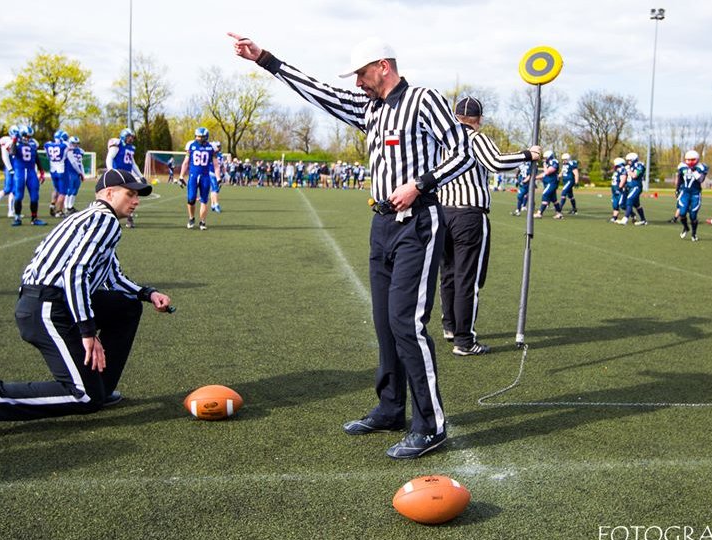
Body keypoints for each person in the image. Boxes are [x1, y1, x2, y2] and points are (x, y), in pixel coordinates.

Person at [229, 32, 475, 459]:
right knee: (383, 322)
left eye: (361, 73)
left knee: (406, 323)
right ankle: (389, 408)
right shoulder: (370, 107)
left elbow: (463, 152)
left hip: (418, 222)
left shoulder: (423, 98)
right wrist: (265, 59)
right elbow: (319, 92)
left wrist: (419, 184)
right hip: (380, 224)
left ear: (383, 65)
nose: (357, 82)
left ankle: (430, 424)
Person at [0, 169, 172, 439]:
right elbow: (75, 273)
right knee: (83, 397)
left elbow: (112, 276)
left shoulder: (89, 218)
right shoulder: (104, 221)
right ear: (107, 193)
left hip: (52, 301)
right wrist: (88, 330)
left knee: (126, 306)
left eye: (137, 195)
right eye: (130, 193)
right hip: (46, 307)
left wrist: (148, 293)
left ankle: (101, 388)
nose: (136, 200)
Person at [438, 96, 540, 357]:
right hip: (469, 215)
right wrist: (527, 155)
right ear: (479, 119)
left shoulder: (442, 141)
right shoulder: (475, 138)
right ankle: (464, 339)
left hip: (442, 213)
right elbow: (495, 163)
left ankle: (450, 326)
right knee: (467, 278)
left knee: (448, 273)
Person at [179, 127, 222, 230]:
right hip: (193, 176)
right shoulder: (191, 145)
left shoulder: (211, 147)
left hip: (205, 176)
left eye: (200, 136)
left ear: (205, 137)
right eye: (197, 136)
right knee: (191, 199)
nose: (197, 138)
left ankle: (202, 222)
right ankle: (191, 218)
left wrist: (218, 178)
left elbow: (216, 165)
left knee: (204, 200)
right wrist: (181, 176)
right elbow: (185, 162)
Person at [106, 128, 145, 228]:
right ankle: (110, 217)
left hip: (127, 174)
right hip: (117, 173)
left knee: (131, 196)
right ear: (123, 136)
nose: (131, 139)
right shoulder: (117, 144)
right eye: (129, 137)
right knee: (115, 197)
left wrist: (141, 176)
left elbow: (133, 164)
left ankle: (129, 217)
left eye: (132, 137)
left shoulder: (131, 148)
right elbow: (109, 157)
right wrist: (110, 170)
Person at [9, 125, 47, 227]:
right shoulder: (15, 142)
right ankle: (17, 217)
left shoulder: (33, 143)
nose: (27, 138)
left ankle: (34, 218)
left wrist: (42, 172)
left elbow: (36, 158)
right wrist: (14, 140)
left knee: (35, 196)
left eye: (29, 136)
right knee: (19, 195)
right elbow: (12, 152)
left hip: (31, 172)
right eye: (26, 136)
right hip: (20, 172)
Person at [675, 150, 708, 242]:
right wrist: (677, 189)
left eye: (692, 160)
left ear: (697, 159)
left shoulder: (701, 167)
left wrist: (694, 171)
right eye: (688, 160)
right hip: (684, 192)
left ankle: (694, 233)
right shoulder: (682, 167)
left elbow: (701, 180)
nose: (690, 162)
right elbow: (680, 178)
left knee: (693, 215)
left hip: (695, 193)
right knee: (682, 213)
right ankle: (686, 228)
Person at [617, 152, 647, 226]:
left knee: (629, 200)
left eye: (629, 160)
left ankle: (625, 219)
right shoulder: (630, 166)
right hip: (629, 187)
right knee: (636, 205)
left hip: (636, 187)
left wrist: (628, 170)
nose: (628, 162)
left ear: (633, 160)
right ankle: (643, 220)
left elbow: (634, 175)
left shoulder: (639, 165)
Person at [44, 129, 69, 217]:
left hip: (53, 170)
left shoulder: (47, 145)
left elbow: (47, 155)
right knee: (63, 193)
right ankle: (59, 211)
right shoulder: (65, 145)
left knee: (56, 189)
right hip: (61, 170)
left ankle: (52, 204)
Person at [533, 151, 563, 219]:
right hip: (548, 182)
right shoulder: (547, 163)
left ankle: (540, 213)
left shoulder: (554, 162)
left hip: (552, 182)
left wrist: (544, 165)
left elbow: (547, 172)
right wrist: (534, 178)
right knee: (554, 199)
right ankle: (559, 213)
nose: (544, 159)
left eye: (546, 158)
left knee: (545, 194)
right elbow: (544, 174)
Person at [61, 135, 85, 215]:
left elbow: (80, 163)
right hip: (70, 172)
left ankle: (70, 206)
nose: (75, 145)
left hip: (76, 173)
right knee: (69, 190)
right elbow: (73, 163)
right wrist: (80, 172)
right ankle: (66, 207)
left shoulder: (80, 151)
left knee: (75, 190)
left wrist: (82, 173)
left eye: (77, 143)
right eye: (74, 143)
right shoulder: (68, 151)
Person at [609, 157, 626, 222]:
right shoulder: (617, 170)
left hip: (619, 190)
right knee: (615, 204)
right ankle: (614, 217)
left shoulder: (622, 169)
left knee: (622, 204)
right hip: (614, 190)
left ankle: (632, 215)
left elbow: (623, 178)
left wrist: (620, 187)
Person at [209, 141, 224, 212]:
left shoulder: (220, 155)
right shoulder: (210, 154)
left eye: (219, 146)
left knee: (214, 190)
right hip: (211, 173)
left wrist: (224, 173)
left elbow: (222, 165)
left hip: (218, 174)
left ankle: (212, 204)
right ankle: (216, 204)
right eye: (217, 146)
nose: (219, 148)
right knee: (215, 189)